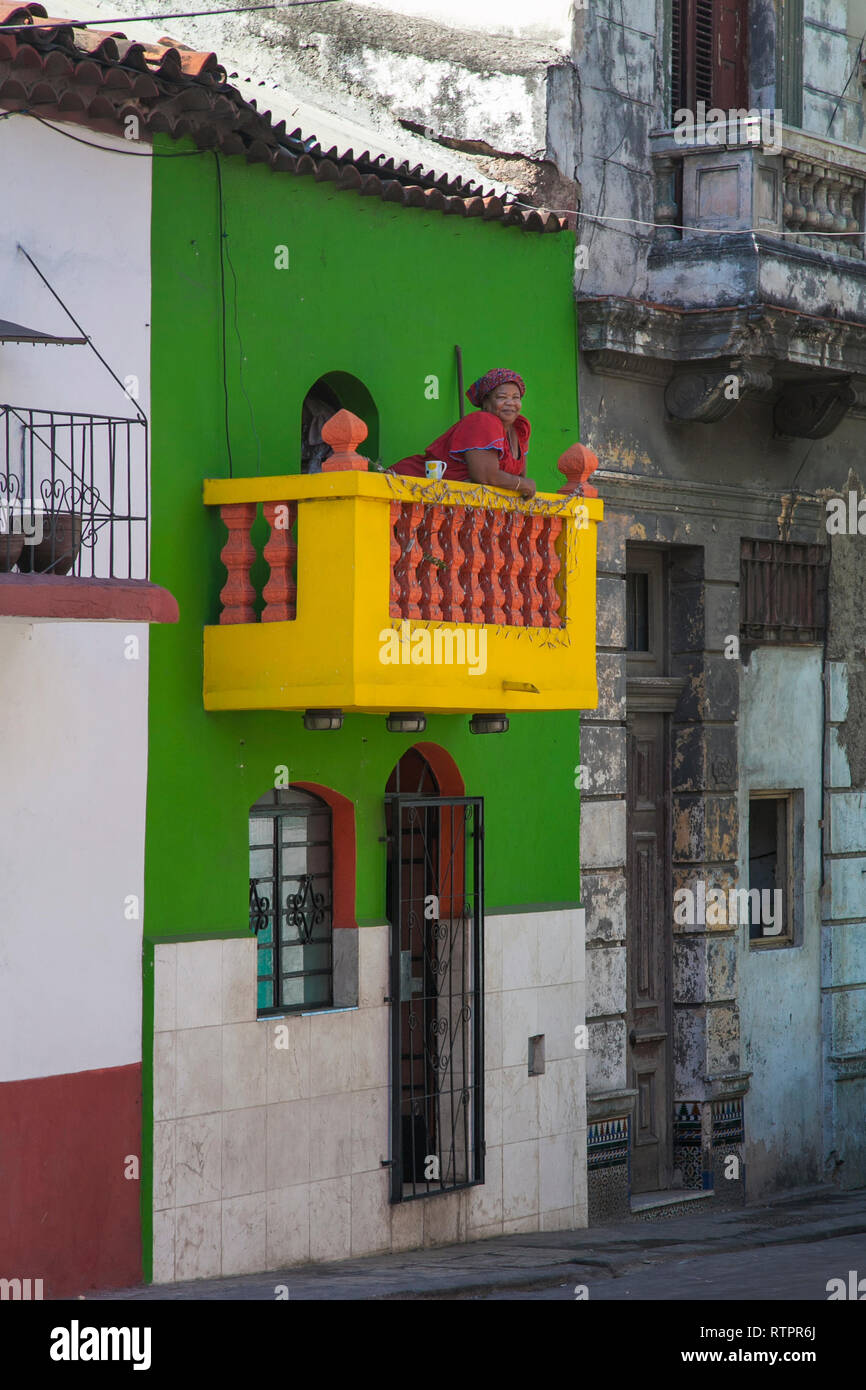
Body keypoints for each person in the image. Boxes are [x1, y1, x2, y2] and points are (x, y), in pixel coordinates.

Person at [392, 368, 537, 499]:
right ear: (485, 402)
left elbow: (517, 481)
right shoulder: (483, 421)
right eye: (502, 397)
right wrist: (524, 484)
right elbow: (485, 476)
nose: (510, 403)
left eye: (516, 397)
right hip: (409, 488)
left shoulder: (520, 428)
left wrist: (523, 484)